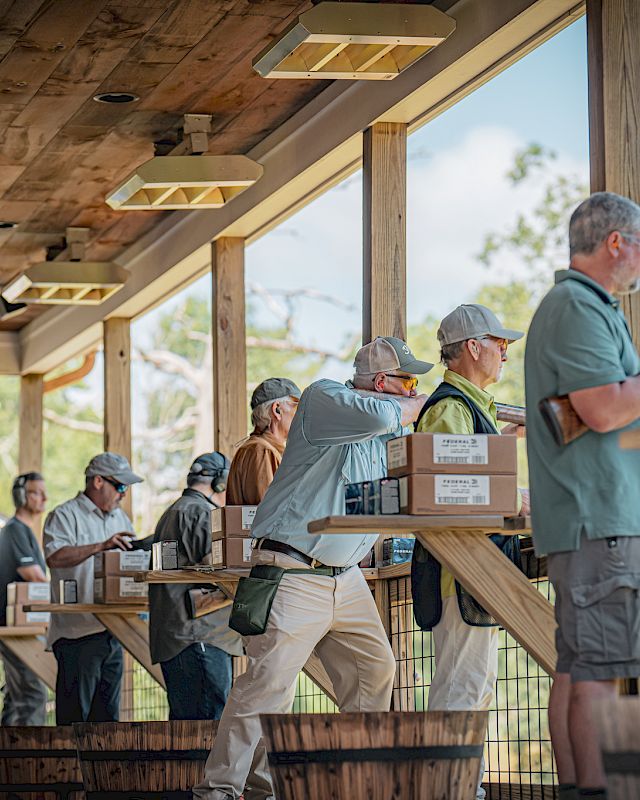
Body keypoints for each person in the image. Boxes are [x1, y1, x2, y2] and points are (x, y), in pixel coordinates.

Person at [193, 335, 432, 800]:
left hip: (345, 578)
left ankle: (354, 780)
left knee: (375, 668)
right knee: (267, 687)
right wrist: (421, 404)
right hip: (294, 572)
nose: (412, 391)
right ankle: (219, 790)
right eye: (408, 382)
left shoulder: (386, 430)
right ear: (382, 382)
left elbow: (417, 452)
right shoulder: (325, 397)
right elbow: (389, 413)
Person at [525, 191, 640, 800]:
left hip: (588, 518)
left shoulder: (580, 306)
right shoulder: (577, 307)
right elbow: (600, 409)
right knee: (601, 672)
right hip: (599, 519)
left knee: (578, 669)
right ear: (616, 243)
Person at [410, 304, 525, 800]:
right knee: (462, 688)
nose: (505, 352)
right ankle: (449, 789)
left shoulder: (465, 407)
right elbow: (443, 491)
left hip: (470, 572)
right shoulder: (452, 408)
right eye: (499, 343)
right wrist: (508, 495)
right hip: (461, 572)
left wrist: (498, 446)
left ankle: (461, 788)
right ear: (473, 348)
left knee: (472, 687)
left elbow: (458, 477)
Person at [44, 452, 142, 724]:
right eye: (120, 486)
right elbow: (55, 557)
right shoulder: (64, 515)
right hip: (77, 635)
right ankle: (69, 769)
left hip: (114, 632)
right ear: (98, 481)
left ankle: (104, 769)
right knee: (74, 722)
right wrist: (101, 546)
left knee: (108, 723)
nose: (124, 494)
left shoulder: (120, 519)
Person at [149, 452, 243, 720]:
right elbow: (218, 568)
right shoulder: (199, 512)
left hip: (182, 638)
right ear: (220, 482)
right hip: (200, 637)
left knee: (185, 729)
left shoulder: (174, 511)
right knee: (207, 728)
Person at [0, 473, 49, 725]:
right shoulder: (15, 530)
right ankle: (30, 761)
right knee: (32, 695)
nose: (44, 498)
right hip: (15, 630)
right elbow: (36, 578)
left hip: (21, 627)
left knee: (15, 697)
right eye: (37, 492)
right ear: (21, 496)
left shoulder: (24, 532)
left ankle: (9, 758)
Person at [226, 378, 301, 505]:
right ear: (277, 409)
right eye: (297, 408)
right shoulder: (261, 451)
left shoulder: (261, 449)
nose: (301, 415)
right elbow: (269, 513)